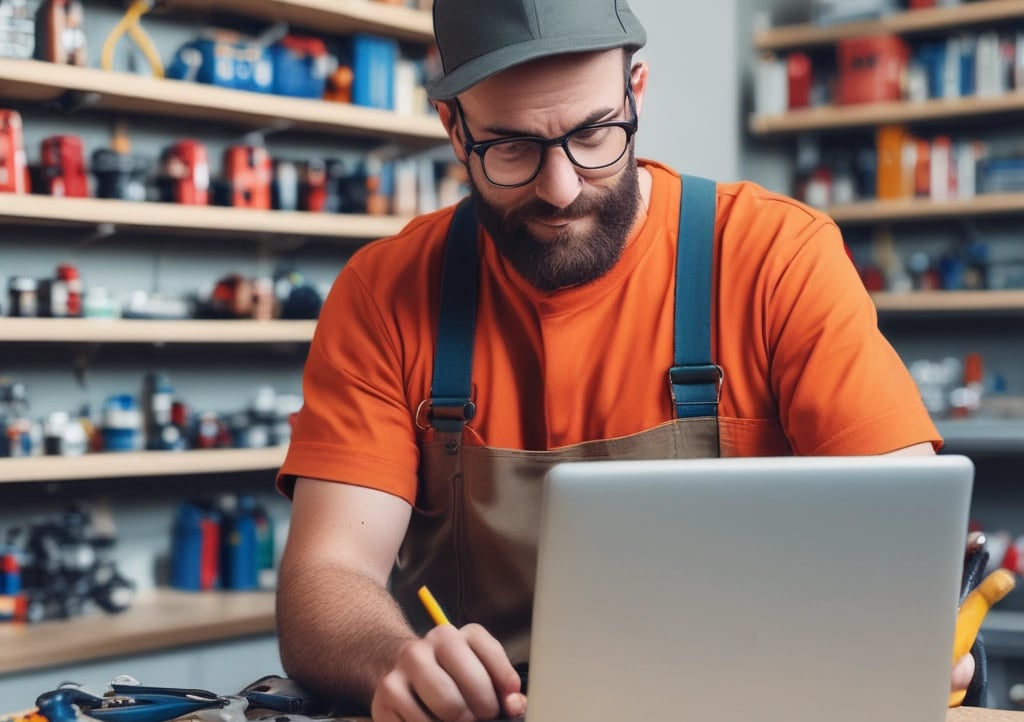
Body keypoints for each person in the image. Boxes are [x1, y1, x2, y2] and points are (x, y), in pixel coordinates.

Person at [274, 0, 976, 719]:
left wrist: (904, 628)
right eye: (510, 147)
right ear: (455, 127)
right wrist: (394, 660)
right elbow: (327, 576)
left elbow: (907, 542)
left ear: (635, 92)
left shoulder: (777, 260)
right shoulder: (384, 293)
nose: (561, 187)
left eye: (593, 134)